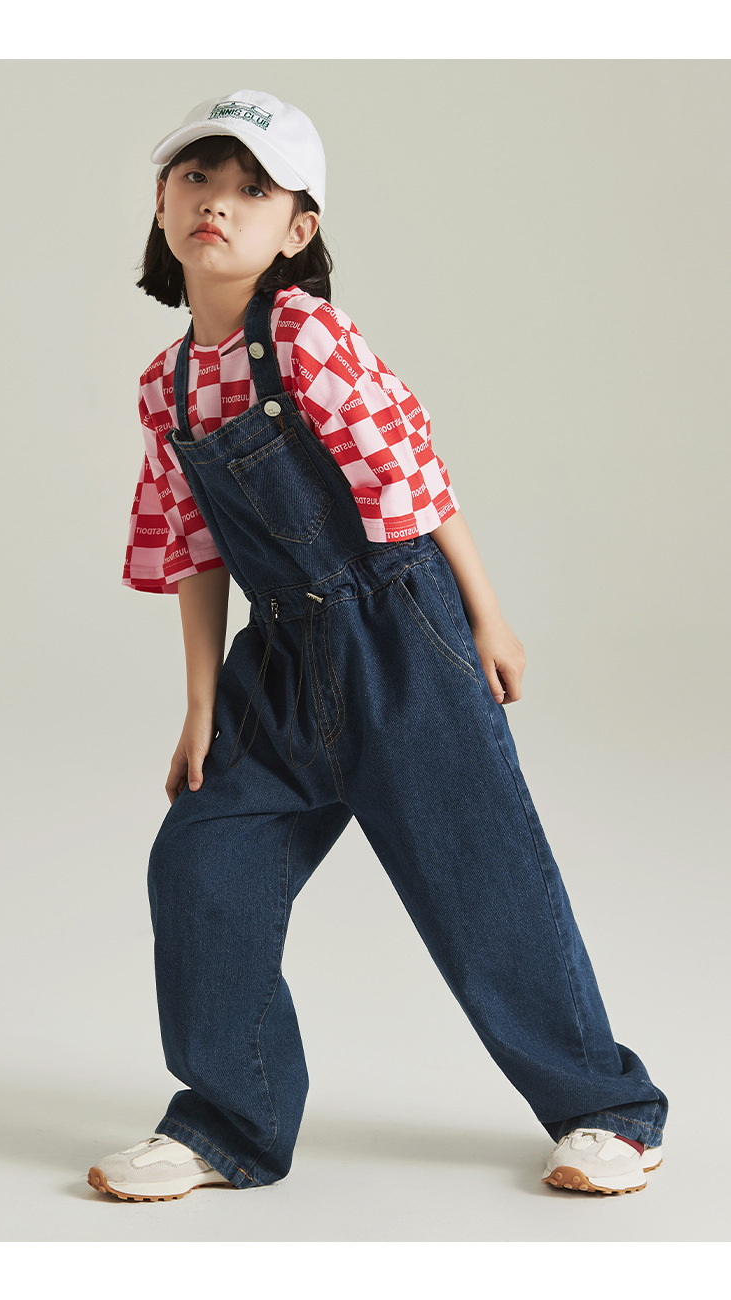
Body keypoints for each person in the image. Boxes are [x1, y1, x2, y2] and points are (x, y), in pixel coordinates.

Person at [88, 89, 668, 1203]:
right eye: (198, 178)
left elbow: (413, 471)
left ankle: (610, 1111)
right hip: (278, 661)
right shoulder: (168, 385)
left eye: (253, 188)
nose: (219, 204)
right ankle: (230, 1124)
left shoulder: (308, 333)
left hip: (401, 636)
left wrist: (484, 617)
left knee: (481, 880)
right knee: (201, 866)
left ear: (297, 229)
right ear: (161, 203)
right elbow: (193, 546)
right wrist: (201, 708)